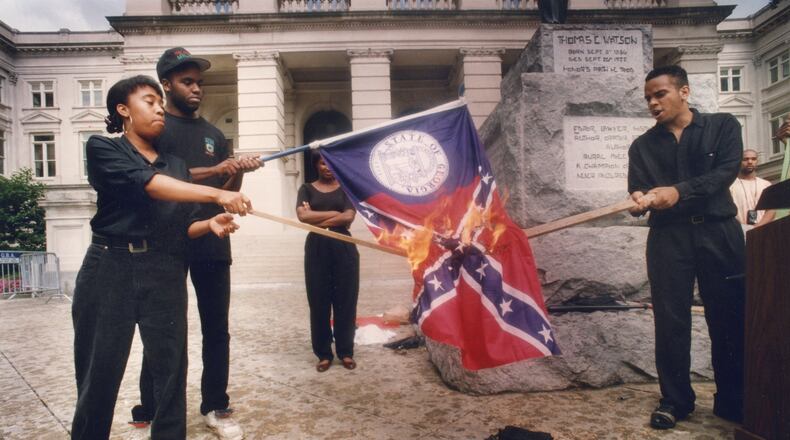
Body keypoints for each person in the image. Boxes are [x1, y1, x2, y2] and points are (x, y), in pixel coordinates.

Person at [71, 75, 251, 440]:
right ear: (123, 110)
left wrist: (209, 223)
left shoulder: (176, 165)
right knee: (99, 374)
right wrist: (216, 195)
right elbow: (147, 184)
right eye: (149, 101)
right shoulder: (103, 149)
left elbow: (181, 226)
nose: (158, 110)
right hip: (110, 267)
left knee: (170, 374)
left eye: (159, 103)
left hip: (164, 269)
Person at [130, 47, 260, 440]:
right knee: (164, 328)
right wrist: (216, 168)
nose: (196, 89)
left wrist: (237, 171)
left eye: (199, 83)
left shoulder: (214, 134)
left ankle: (215, 406)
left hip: (212, 238)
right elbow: (157, 175)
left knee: (216, 328)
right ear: (166, 84)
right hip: (166, 241)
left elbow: (225, 192)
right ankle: (151, 407)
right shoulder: (154, 127)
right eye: (187, 82)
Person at [627, 65, 745, 430]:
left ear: (684, 92)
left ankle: (733, 399)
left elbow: (725, 173)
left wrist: (678, 191)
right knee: (671, 320)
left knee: (730, 317)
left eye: (659, 94)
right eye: (648, 97)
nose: (653, 102)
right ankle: (675, 400)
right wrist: (638, 200)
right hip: (668, 238)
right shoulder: (642, 145)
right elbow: (639, 187)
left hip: (719, 232)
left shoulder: (723, 126)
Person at [296, 154, 359, 372]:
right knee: (319, 302)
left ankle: (345, 351)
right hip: (317, 248)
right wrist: (335, 213)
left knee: (346, 301)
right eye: (323, 163)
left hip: (344, 246)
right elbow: (302, 217)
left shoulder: (346, 188)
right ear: (316, 164)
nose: (327, 167)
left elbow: (348, 217)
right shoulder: (306, 188)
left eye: (330, 163)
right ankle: (323, 354)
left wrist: (317, 216)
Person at [729, 149, 774, 230]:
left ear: (757, 161)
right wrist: (744, 228)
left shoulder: (766, 184)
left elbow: (771, 210)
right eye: (745, 159)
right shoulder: (730, 185)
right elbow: (729, 211)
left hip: (763, 230)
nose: (750, 162)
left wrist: (758, 227)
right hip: (739, 231)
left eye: (753, 159)